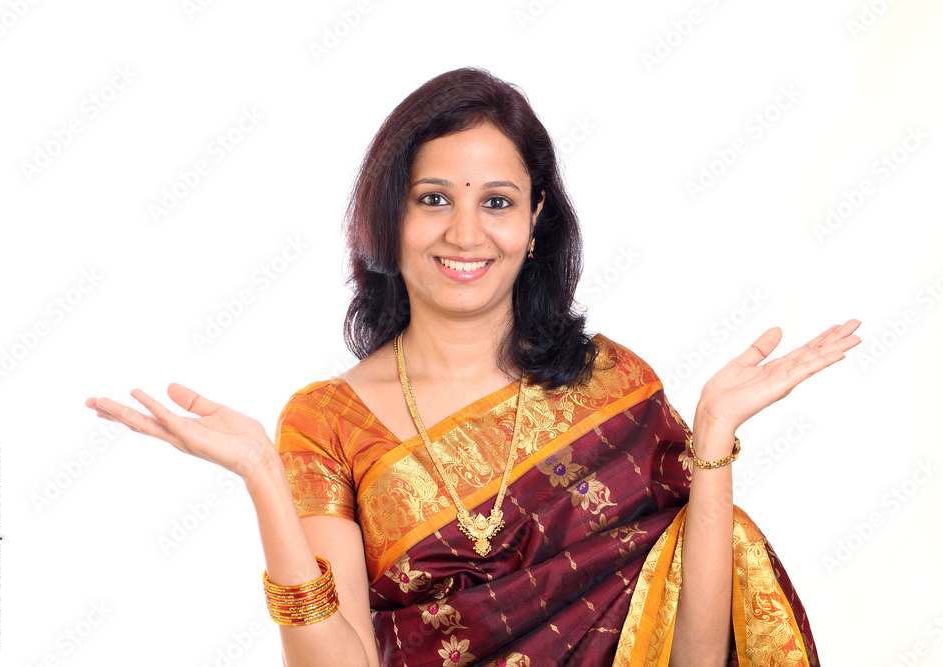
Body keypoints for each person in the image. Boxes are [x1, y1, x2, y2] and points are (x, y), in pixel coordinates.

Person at [86, 67, 860, 666]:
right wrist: (263, 474)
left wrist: (713, 439)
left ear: (535, 218)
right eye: (433, 199)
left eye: (496, 201)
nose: (465, 233)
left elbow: (696, 657)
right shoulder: (327, 422)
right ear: (389, 216)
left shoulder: (612, 384)